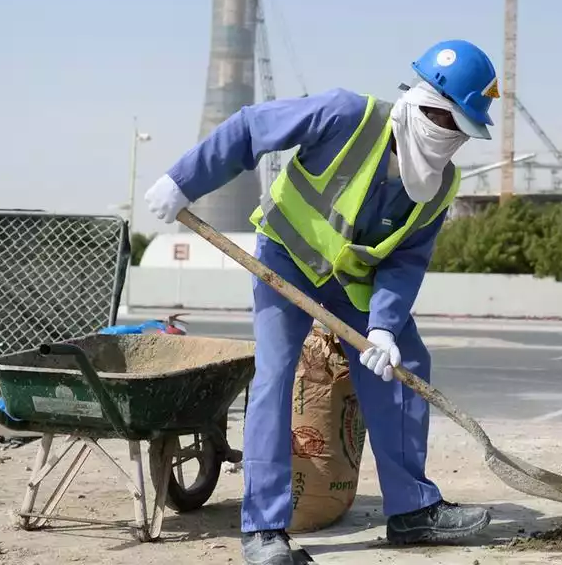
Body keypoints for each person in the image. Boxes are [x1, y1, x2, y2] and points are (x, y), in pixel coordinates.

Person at [144, 40, 501, 565]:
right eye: (451, 126)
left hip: (352, 284)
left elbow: (405, 262)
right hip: (285, 261)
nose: (453, 143)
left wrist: (383, 327)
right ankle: (264, 529)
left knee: (405, 363)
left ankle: (411, 511)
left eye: (463, 135)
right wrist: (184, 180)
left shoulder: (440, 185)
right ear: (426, 105)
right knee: (274, 376)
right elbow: (249, 128)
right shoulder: (345, 115)